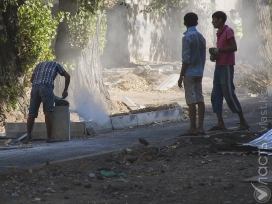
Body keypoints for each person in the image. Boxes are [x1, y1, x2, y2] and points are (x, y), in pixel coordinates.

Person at [209, 11, 249, 131]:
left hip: (226, 66)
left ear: (220, 20)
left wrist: (218, 50)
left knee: (229, 94)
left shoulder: (228, 30)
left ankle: (243, 121)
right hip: (219, 66)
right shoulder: (219, 33)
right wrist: (215, 55)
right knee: (216, 94)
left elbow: (234, 47)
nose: (212, 22)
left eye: (214, 19)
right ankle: (220, 123)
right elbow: (221, 50)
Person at [25, 61, 70, 143]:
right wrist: (65, 90)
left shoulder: (39, 65)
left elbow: (32, 79)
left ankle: (28, 137)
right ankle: (49, 137)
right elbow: (67, 76)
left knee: (32, 114)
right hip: (46, 87)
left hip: (35, 88)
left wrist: (39, 85)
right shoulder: (56, 64)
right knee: (48, 113)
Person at [178, 12, 206, 136]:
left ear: (184, 24)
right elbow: (203, 57)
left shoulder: (187, 37)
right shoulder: (201, 37)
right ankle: (200, 127)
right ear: (197, 23)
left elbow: (186, 59)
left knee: (191, 101)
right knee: (200, 99)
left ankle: (192, 128)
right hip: (199, 72)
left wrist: (180, 76)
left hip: (189, 73)